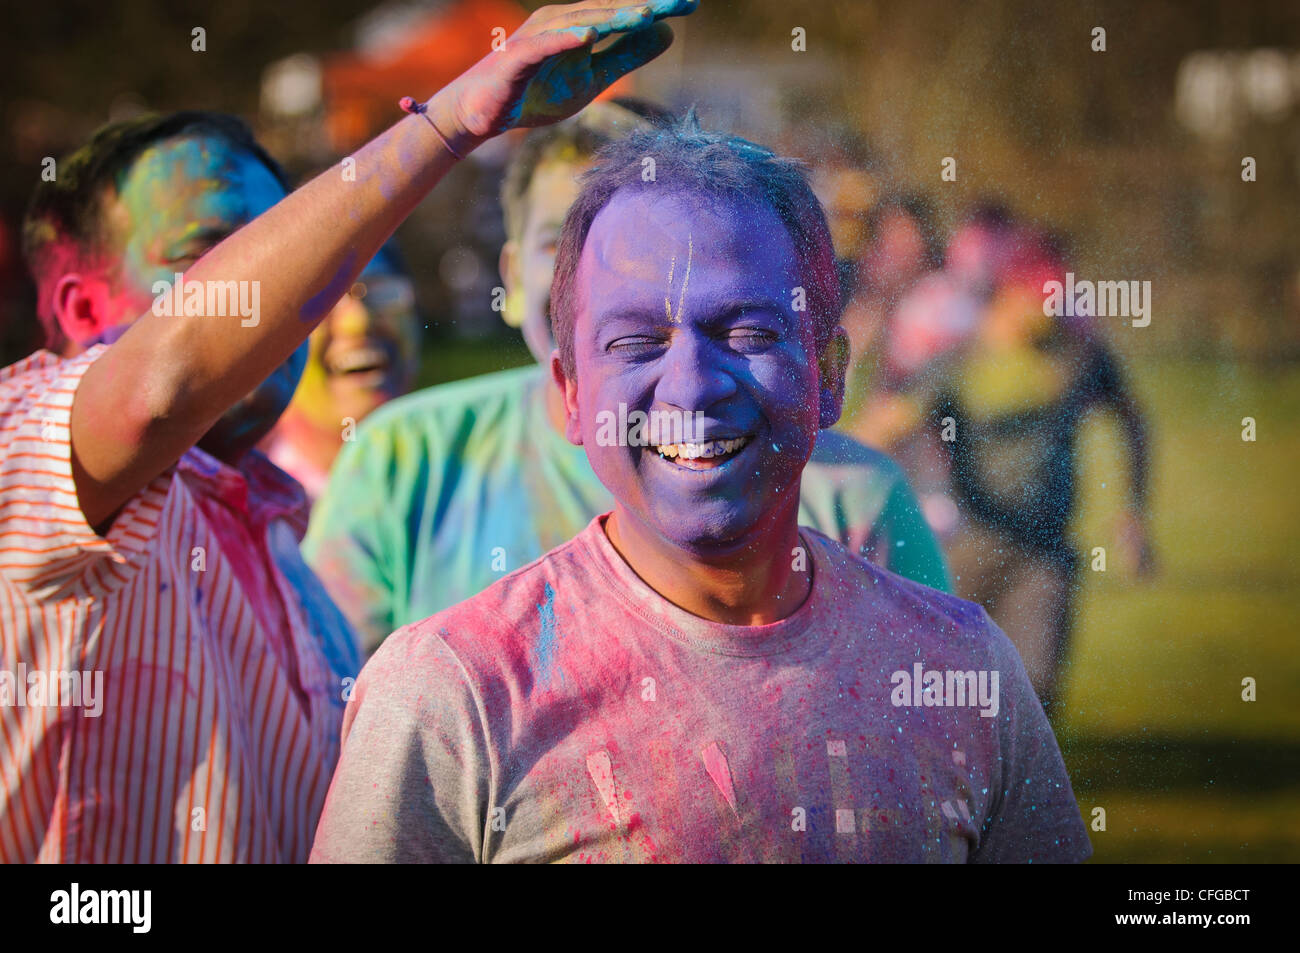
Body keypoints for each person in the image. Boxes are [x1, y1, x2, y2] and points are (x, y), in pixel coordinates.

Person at [0, 0, 699, 862]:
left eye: (273, 244)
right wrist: (455, 118)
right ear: (80, 308)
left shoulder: (299, 578)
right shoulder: (20, 444)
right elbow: (157, 386)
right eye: (210, 251)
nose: (292, 302)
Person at [309, 115, 1092, 864]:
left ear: (828, 375)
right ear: (572, 391)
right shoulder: (452, 696)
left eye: (747, 332)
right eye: (637, 341)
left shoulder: (963, 675)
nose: (690, 386)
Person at [305, 103, 951, 657]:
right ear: (511, 277)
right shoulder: (405, 458)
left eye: (651, 254)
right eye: (560, 244)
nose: (589, 279)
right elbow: (327, 704)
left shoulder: (851, 496)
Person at [935, 225, 1154, 720]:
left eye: (1060, 294)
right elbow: (891, 425)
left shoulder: (1079, 356)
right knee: (946, 692)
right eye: (1042, 296)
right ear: (1009, 290)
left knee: (1036, 691)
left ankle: (1016, 793)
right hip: (966, 547)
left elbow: (1133, 421)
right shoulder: (959, 363)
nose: (1053, 308)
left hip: (1046, 554)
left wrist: (1133, 513)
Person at [259, 240, 419, 502]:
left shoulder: (476, 486)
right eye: (321, 297)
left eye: (381, 290)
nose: (359, 321)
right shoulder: (243, 516)